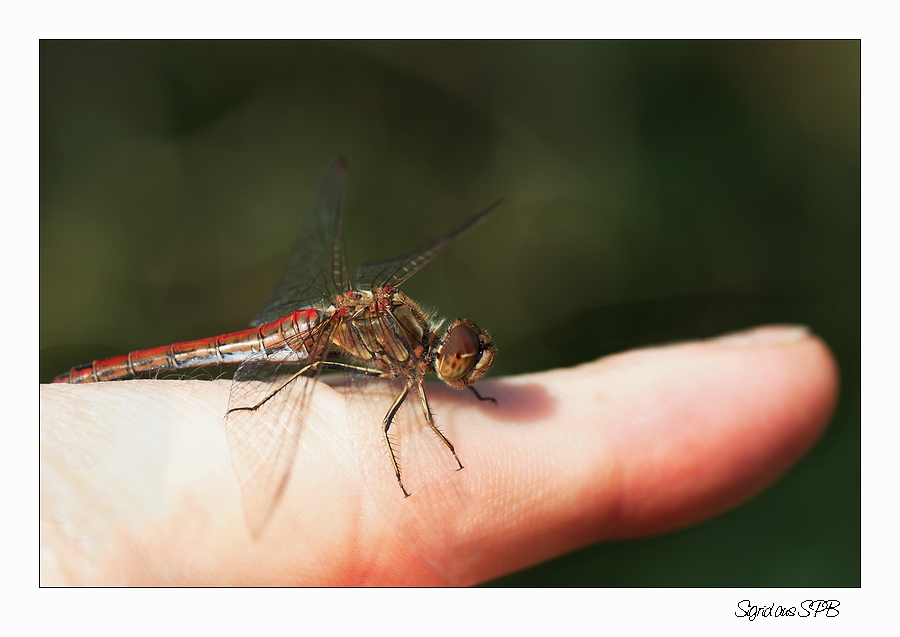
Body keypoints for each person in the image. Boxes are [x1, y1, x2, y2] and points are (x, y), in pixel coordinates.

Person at [39, 325, 837, 586]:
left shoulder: (416, 344)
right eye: (463, 364)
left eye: (468, 361)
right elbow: (398, 426)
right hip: (294, 343)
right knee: (292, 387)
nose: (468, 363)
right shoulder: (405, 371)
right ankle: (88, 376)